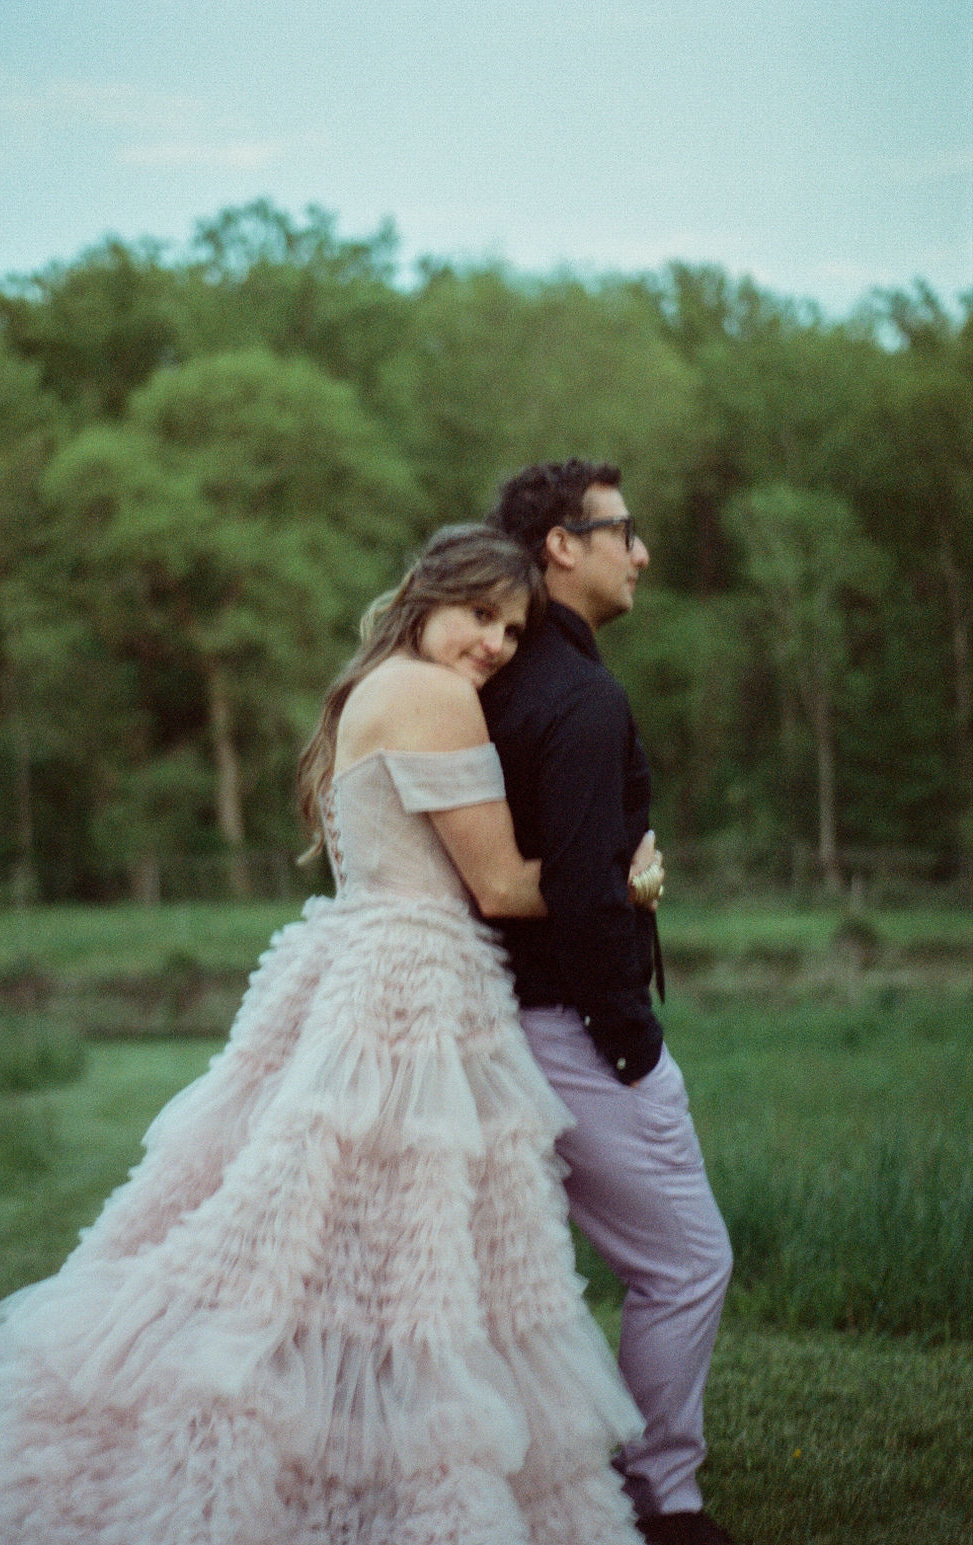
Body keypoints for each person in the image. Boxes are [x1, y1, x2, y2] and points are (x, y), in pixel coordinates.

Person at [0, 525, 645, 1545]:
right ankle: (361, 1466)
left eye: (509, 629)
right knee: (389, 1249)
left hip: (365, 960)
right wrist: (622, 879)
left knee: (335, 1242)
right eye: (479, 617)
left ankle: (342, 1446)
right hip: (408, 986)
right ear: (425, 598)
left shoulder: (370, 687)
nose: (494, 644)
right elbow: (499, 884)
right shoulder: (435, 694)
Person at [480, 462, 736, 1545]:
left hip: (494, 1022)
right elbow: (582, 901)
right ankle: (658, 1503)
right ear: (559, 547)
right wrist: (634, 1047)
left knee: (514, 1276)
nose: (639, 553)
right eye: (621, 532)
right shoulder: (579, 698)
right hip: (575, 1032)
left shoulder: (491, 682)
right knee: (685, 1262)